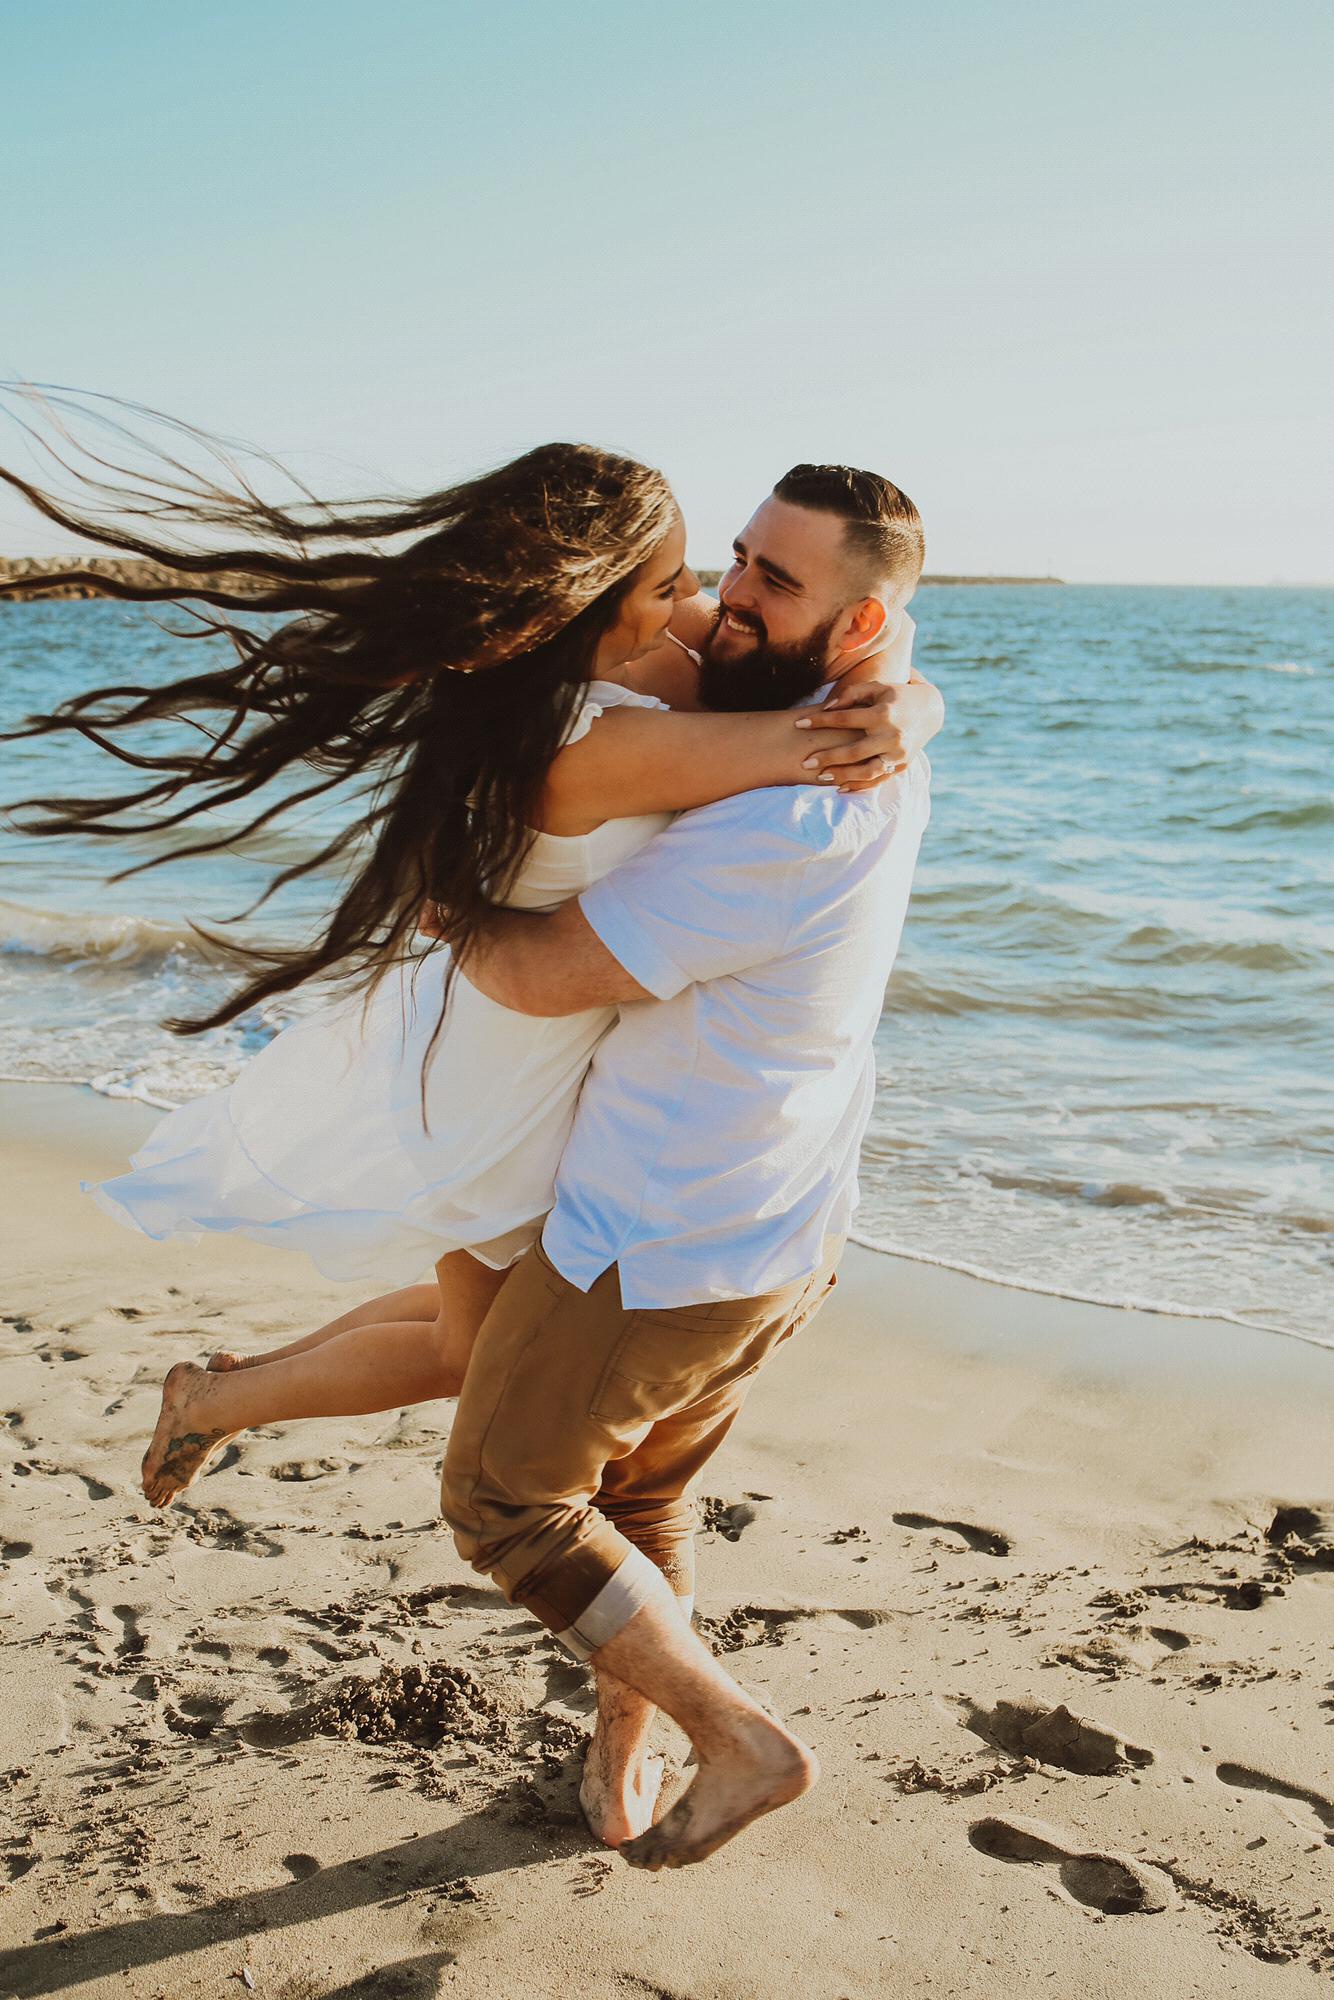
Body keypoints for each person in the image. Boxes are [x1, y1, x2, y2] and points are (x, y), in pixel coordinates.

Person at [433, 463, 933, 1869]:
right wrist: (913, 694)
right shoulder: (861, 726)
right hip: (787, 1225)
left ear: (854, 625)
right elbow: (886, 650)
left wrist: (437, 902)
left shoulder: (787, 813)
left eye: (774, 580)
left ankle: (737, 1738)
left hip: (655, 1240)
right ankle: (620, 1777)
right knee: (642, 1502)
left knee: (505, 1499)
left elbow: (540, 974)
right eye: (736, 558)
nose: (728, 598)